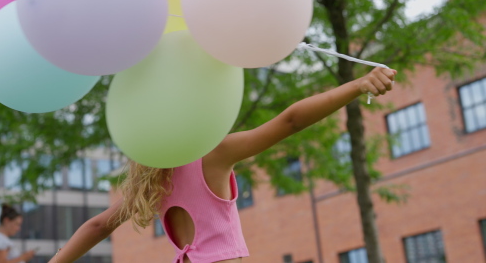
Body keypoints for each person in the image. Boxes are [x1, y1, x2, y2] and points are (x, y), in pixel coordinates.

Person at [48, 67, 397, 263]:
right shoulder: (211, 153)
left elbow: (97, 227)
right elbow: (289, 122)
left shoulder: (152, 179)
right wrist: (355, 86)